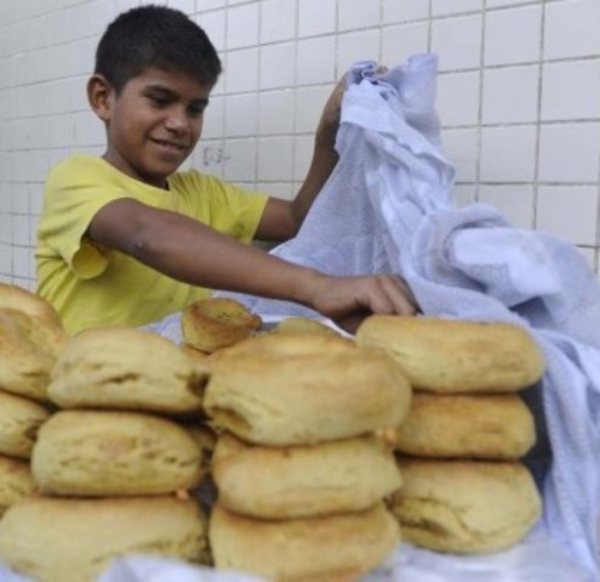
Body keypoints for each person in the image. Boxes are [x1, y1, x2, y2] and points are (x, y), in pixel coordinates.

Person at [35, 5, 417, 335]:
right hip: (80, 403)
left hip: (171, 397)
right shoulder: (76, 178)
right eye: (160, 100)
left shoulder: (204, 193)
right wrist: (318, 286)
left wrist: (326, 136)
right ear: (103, 98)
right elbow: (147, 235)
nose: (180, 123)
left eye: (195, 109)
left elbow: (300, 218)